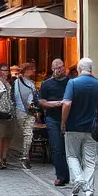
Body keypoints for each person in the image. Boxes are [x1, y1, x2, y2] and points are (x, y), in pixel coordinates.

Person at [61, 57, 98, 196]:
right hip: (92, 127)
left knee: (72, 156)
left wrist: (63, 121)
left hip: (74, 126)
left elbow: (67, 103)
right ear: (91, 69)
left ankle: (79, 178)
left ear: (79, 69)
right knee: (90, 160)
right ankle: (89, 190)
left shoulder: (73, 83)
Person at [38, 58, 70, 187]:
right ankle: (61, 176)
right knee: (57, 148)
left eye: (60, 67)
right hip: (52, 118)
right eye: (55, 68)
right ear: (52, 69)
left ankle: (68, 174)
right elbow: (41, 101)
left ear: (64, 68)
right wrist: (52, 104)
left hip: (69, 118)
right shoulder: (46, 84)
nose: (58, 70)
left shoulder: (70, 82)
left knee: (68, 148)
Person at [12, 61, 38, 170]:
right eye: (31, 69)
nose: (33, 71)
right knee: (22, 134)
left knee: (28, 134)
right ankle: (21, 155)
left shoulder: (31, 83)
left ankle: (24, 155)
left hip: (29, 111)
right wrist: (28, 104)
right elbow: (18, 96)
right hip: (21, 110)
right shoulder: (18, 82)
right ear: (26, 70)